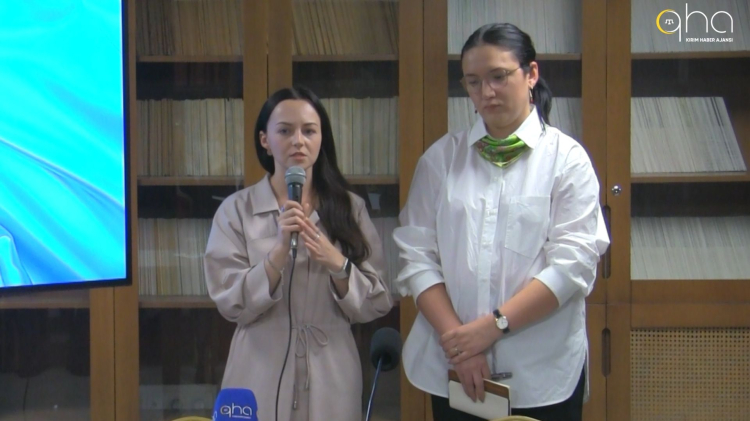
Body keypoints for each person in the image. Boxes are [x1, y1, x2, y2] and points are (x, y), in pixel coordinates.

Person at [393, 23, 610, 421]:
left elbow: (572, 265)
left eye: (498, 76)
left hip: (542, 371)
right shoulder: (442, 159)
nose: (486, 92)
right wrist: (462, 346)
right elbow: (417, 257)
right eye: (473, 82)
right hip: (455, 368)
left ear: (531, 74)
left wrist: (490, 329)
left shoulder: (566, 159)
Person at [204, 86, 393, 421]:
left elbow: (377, 301)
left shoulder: (350, 208)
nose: (298, 141)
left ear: (322, 139)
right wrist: (277, 254)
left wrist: (337, 263)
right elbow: (229, 301)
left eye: (309, 131)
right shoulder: (237, 210)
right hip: (257, 364)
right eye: (285, 131)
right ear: (265, 140)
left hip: (331, 366)